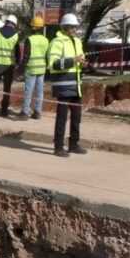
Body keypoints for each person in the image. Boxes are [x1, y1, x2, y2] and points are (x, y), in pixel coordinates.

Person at [47, 13, 88, 157]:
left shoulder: (77, 41)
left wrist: (83, 63)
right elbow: (53, 64)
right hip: (63, 86)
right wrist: (72, 60)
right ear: (64, 27)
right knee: (62, 118)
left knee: (77, 117)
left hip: (76, 86)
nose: (73, 29)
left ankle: (74, 144)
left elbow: (80, 60)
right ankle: (58, 147)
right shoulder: (57, 42)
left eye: (75, 27)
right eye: (71, 27)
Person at [18, 16, 49, 121]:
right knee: (40, 91)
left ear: (33, 28)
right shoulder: (46, 40)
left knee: (29, 91)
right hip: (42, 69)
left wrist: (20, 70)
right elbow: (47, 55)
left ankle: (25, 112)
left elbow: (26, 56)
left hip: (31, 68)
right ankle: (37, 112)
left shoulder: (30, 40)